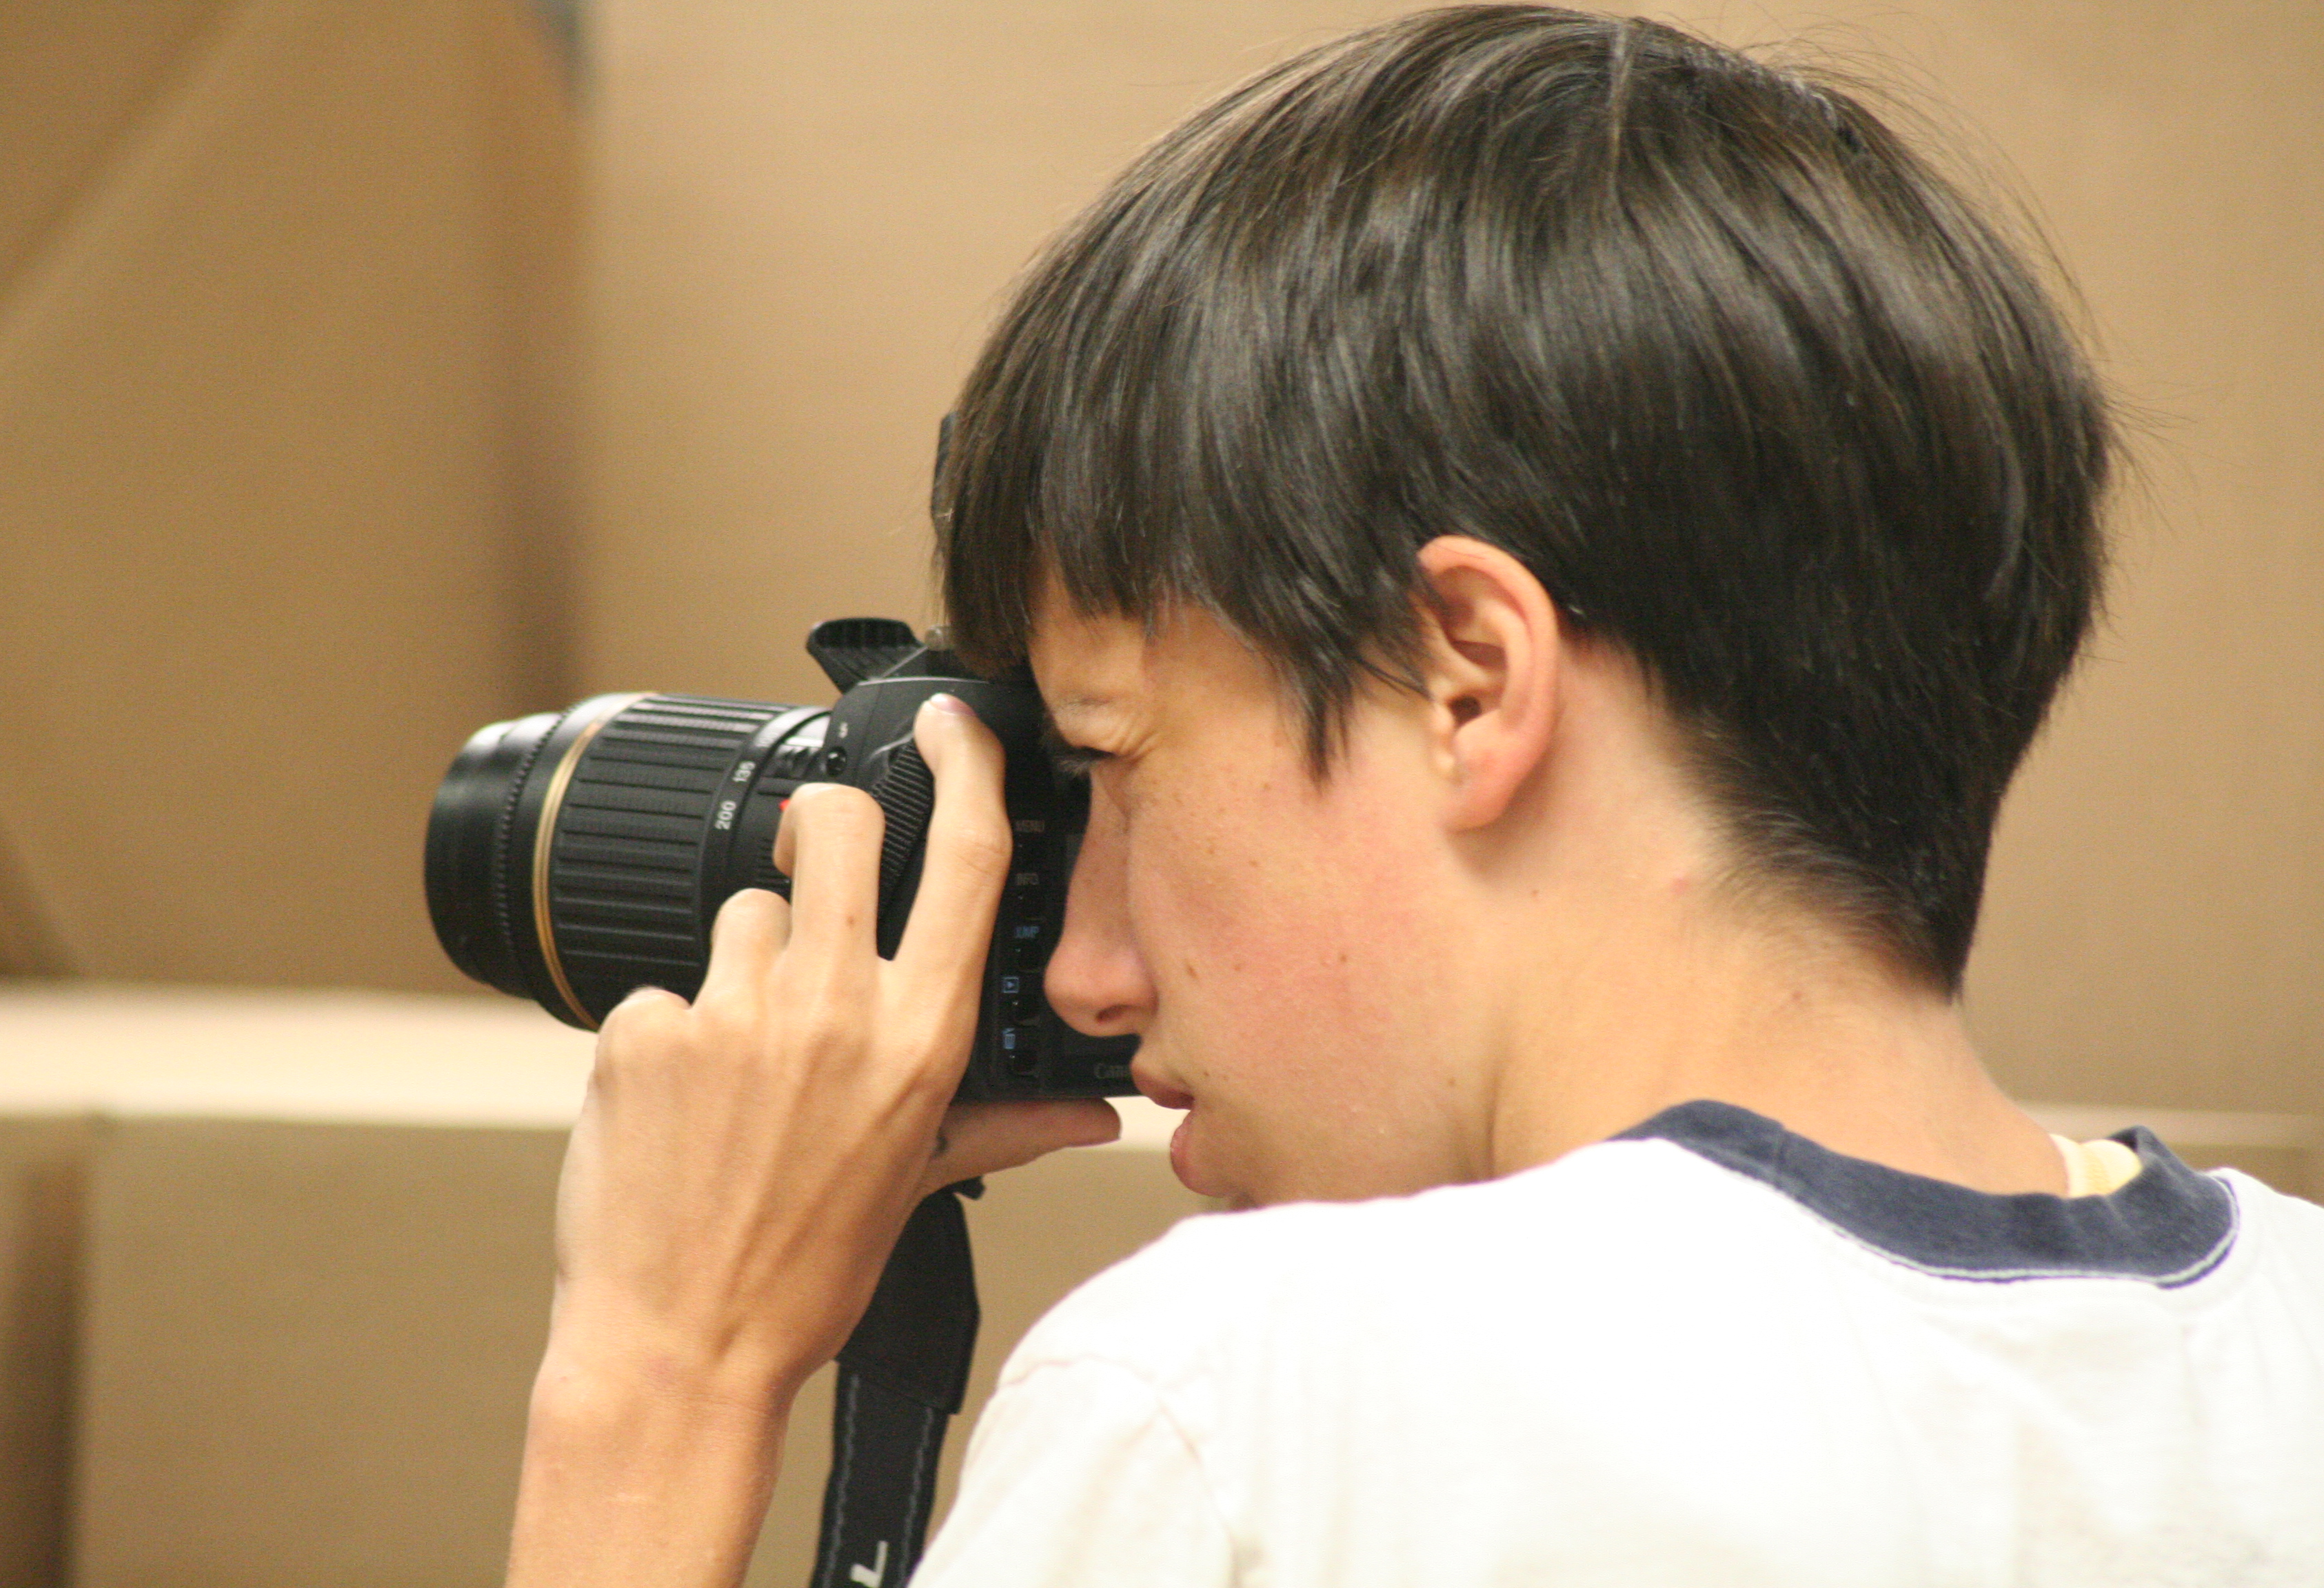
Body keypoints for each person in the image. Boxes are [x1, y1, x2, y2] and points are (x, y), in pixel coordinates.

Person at [503, 8, 2324, 1585]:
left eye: (1109, 758)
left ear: (1469, 678)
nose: (1083, 975)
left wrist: (663, 1375)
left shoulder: (1256, 1413)